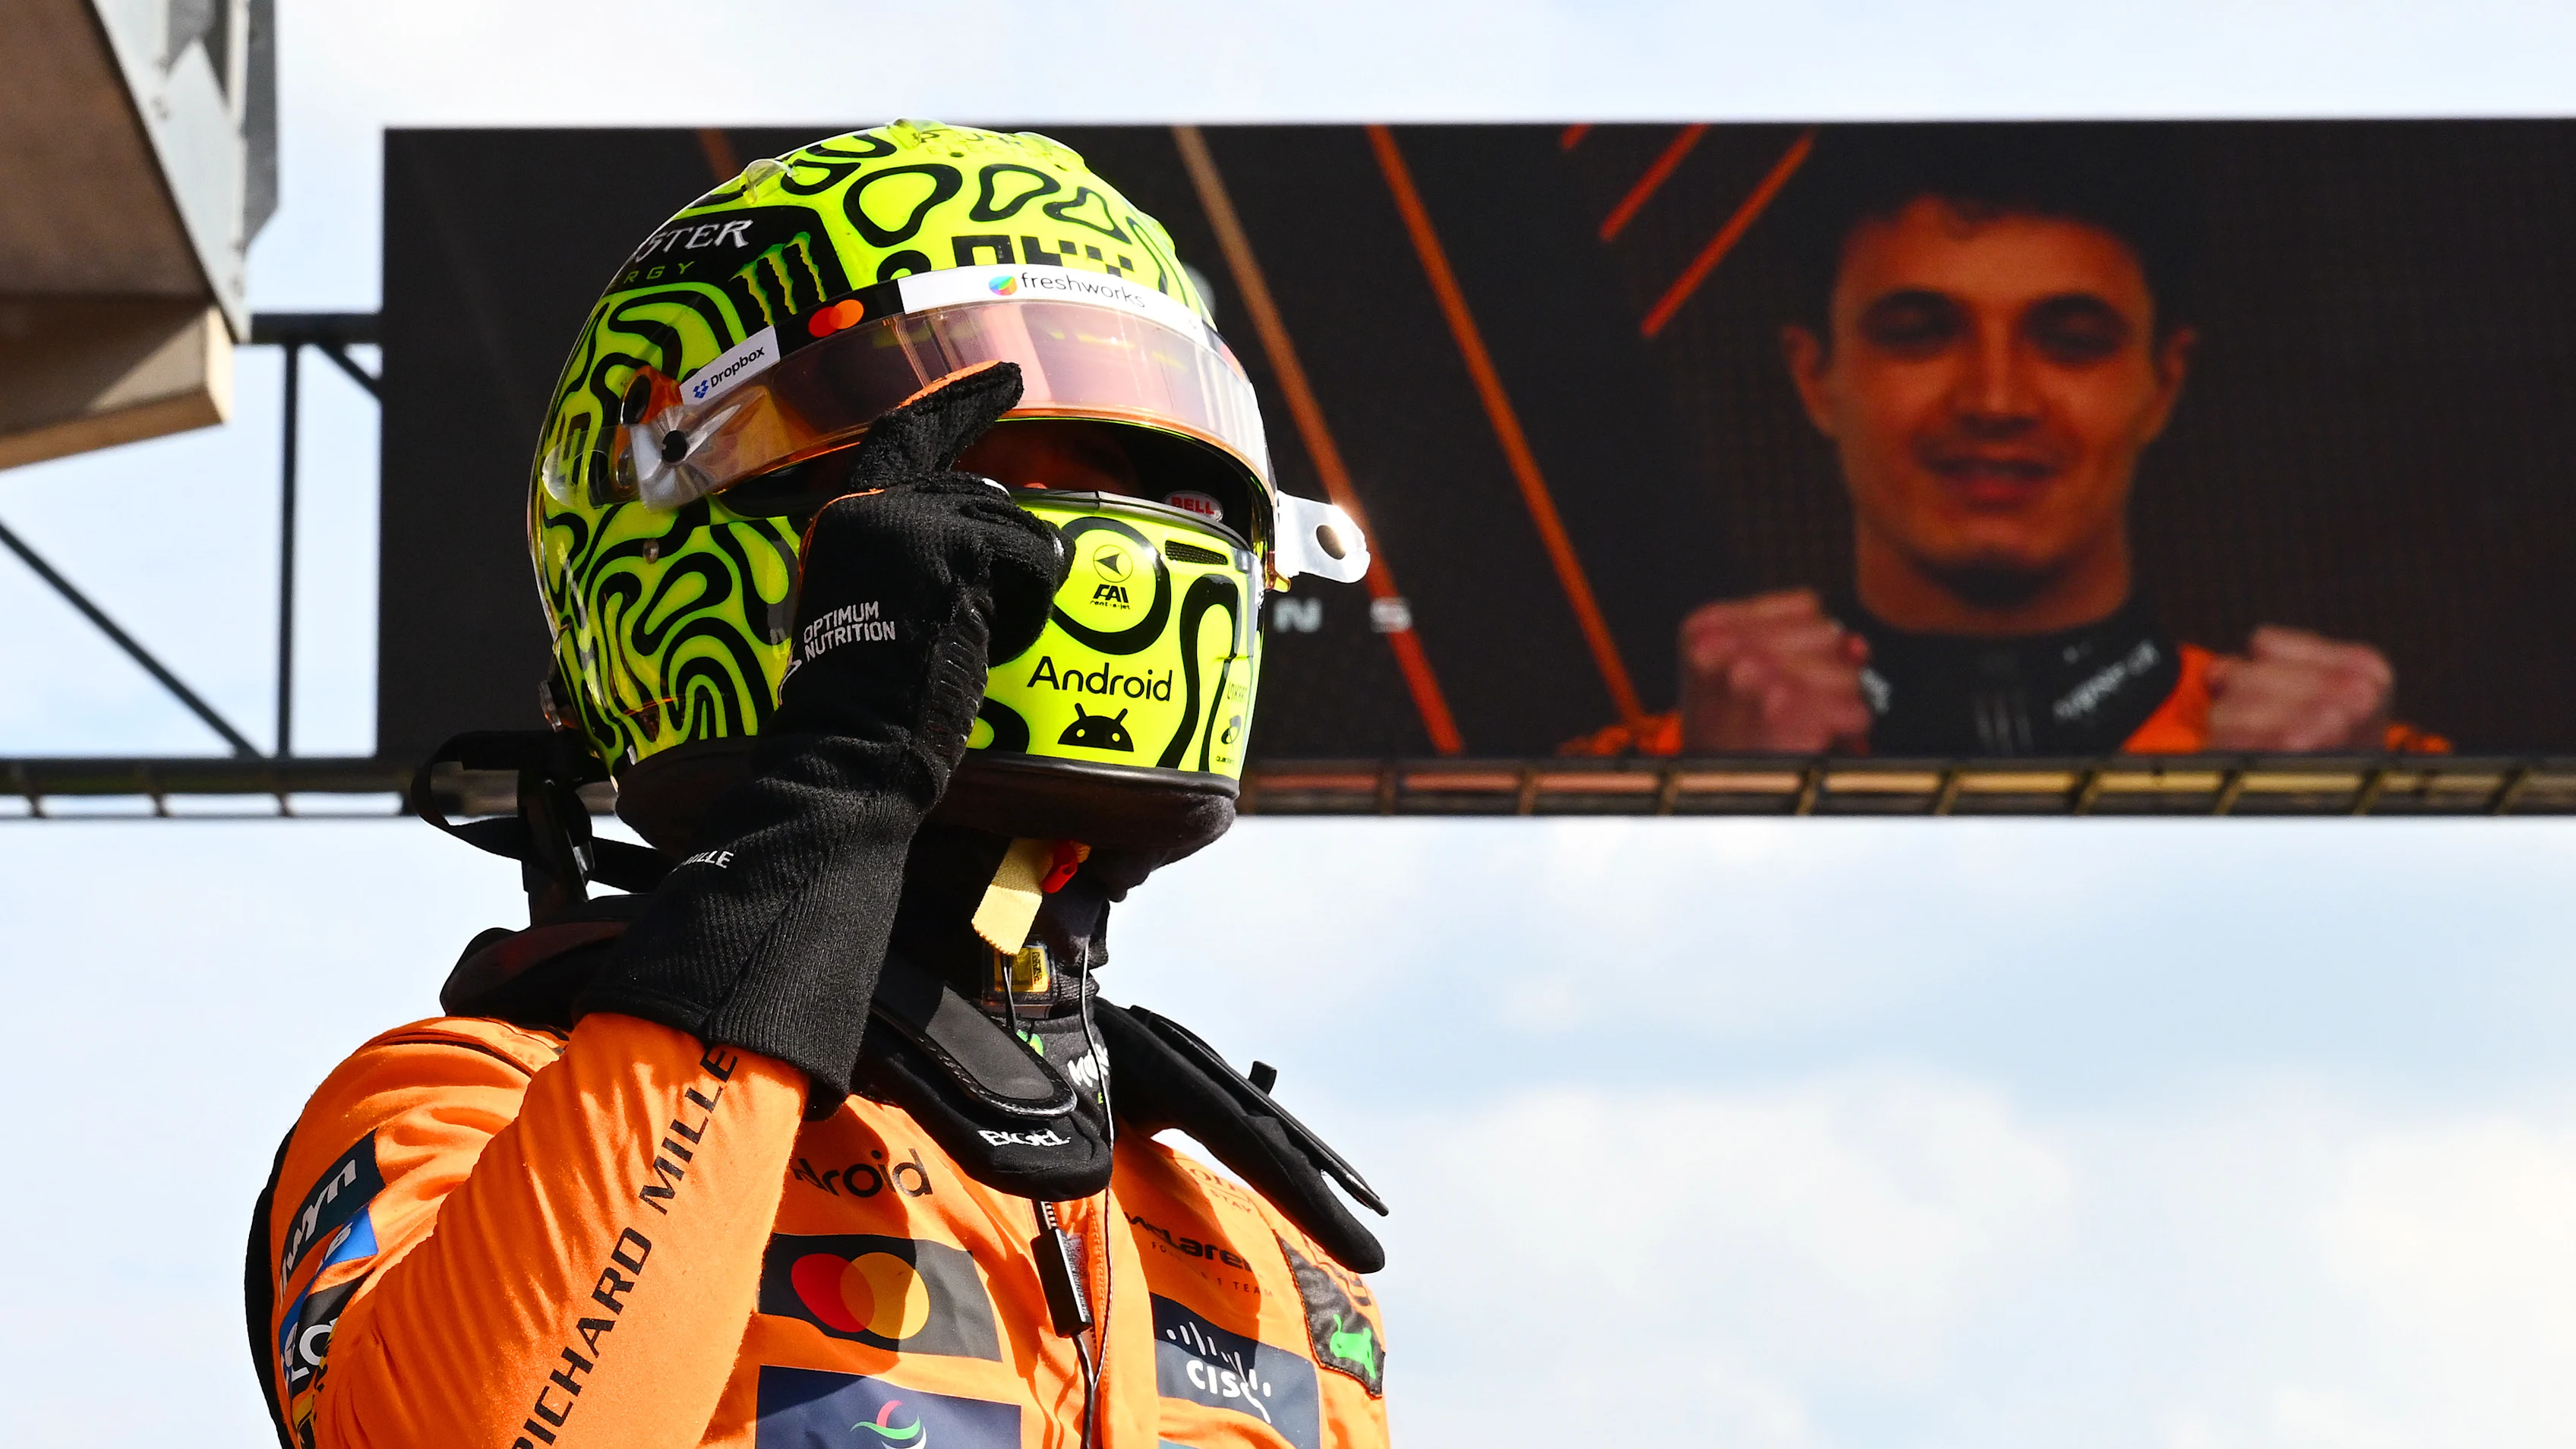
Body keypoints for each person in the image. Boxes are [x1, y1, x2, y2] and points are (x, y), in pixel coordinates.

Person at [248, 122, 1388, 1449]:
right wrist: (837, 788)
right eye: (971, 482)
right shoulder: (465, 1108)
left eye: (1127, 478)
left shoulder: (1267, 1259)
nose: (1040, 543)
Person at [1569, 126, 2442, 757]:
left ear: (2161, 384)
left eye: (2069, 340)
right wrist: (1712, 823)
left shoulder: (2372, 773)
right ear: (1813, 376)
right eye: (1919, 332)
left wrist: (2339, 845)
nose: (1994, 400)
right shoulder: (1629, 784)